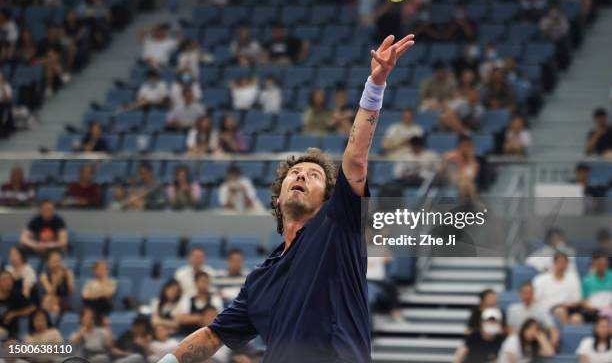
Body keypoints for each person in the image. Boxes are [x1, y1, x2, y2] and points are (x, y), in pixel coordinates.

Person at [160, 33, 416, 363]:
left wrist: (375, 86)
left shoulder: (337, 226)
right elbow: (213, 335)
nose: (300, 176)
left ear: (328, 200)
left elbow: (355, 158)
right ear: (277, 199)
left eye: (314, 176)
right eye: (295, 174)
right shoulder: (260, 281)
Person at [533, 253, 583, 324]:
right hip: (545, 311)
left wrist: (563, 307)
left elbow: (577, 301)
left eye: (564, 263)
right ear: (554, 263)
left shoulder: (573, 279)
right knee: (559, 312)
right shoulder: (540, 280)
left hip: (566, 311)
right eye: (559, 262)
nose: (562, 265)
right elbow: (535, 299)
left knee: (577, 318)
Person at [507, 282, 559, 346]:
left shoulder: (542, 309)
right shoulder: (512, 309)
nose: (527, 295)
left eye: (530, 292)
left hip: (536, 343)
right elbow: (510, 330)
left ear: (534, 293)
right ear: (519, 293)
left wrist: (551, 345)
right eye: (524, 292)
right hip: (518, 343)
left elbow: (552, 329)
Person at [177, 271, 223, 336]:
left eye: (207, 282)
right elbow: (182, 318)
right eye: (202, 281)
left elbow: (218, 319)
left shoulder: (215, 299)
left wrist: (193, 318)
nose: (205, 284)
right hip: (189, 335)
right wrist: (203, 318)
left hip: (210, 335)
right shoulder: (187, 298)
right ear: (196, 283)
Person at [0, 271, 37, 339]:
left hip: (13, 333)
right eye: (4, 280)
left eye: (10, 279)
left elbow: (32, 307)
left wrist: (15, 313)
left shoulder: (17, 296)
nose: (9, 282)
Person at [39, 250, 74, 319]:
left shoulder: (67, 272)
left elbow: (71, 290)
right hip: (49, 299)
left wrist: (68, 277)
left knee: (50, 303)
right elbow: (50, 292)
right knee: (52, 305)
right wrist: (55, 281)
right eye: (53, 260)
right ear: (48, 262)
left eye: (58, 260)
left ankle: (50, 325)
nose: (56, 263)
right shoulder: (44, 275)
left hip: (63, 300)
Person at [444, 136, 480, 201]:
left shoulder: (473, 162)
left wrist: (470, 160)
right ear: (460, 146)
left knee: (468, 187)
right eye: (465, 146)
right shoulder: (450, 157)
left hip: (465, 185)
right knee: (467, 187)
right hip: (449, 184)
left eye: (470, 146)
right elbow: (452, 178)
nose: (467, 149)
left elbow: (471, 178)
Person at [0, 71, 14, 137]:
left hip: (3, 104)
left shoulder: (6, 86)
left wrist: (2, 87)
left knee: (4, 106)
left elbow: (8, 98)